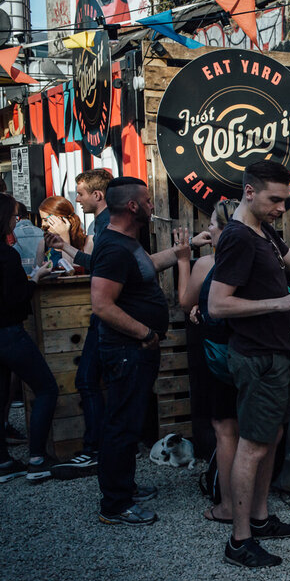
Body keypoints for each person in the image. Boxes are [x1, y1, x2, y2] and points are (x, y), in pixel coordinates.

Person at [209, 161, 290, 567]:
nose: (282, 207)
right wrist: (282, 302)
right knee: (252, 446)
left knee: (271, 439)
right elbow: (217, 304)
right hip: (257, 355)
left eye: (285, 199)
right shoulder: (238, 238)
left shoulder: (264, 230)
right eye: (275, 199)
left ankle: (260, 520)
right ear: (249, 192)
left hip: (279, 351)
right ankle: (239, 540)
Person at [91, 177, 193, 525]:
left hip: (134, 349)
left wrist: (185, 249)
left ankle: (125, 487)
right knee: (121, 424)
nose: (153, 206)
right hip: (126, 349)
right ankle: (115, 505)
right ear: (132, 206)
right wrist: (145, 332)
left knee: (129, 420)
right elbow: (102, 305)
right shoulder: (114, 248)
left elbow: (145, 265)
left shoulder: (127, 243)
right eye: (148, 201)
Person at [177, 200, 238, 524]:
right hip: (252, 352)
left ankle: (228, 503)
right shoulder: (256, 260)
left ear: (226, 230)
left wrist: (184, 260)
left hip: (218, 358)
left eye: (214, 223)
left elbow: (185, 300)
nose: (209, 228)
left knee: (225, 429)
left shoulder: (208, 264)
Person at [0, 193, 59, 483]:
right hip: (8, 333)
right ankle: (37, 459)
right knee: (46, 389)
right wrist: (35, 278)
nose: (16, 220)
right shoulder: (6, 254)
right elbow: (16, 299)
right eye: (13, 216)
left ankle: (3, 463)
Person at [52, 169, 113, 478]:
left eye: (80, 193)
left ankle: (95, 451)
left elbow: (101, 265)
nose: (76, 199)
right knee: (90, 381)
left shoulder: (105, 225)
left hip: (107, 314)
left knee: (87, 380)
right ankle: (98, 449)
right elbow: (96, 263)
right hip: (106, 313)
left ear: (97, 195)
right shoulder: (101, 224)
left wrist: (66, 246)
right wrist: (66, 247)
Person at [35, 196, 88, 270]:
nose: (43, 225)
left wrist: (64, 236)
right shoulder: (43, 244)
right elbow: (38, 274)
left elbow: (72, 272)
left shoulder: (88, 242)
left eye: (46, 220)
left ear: (61, 219)